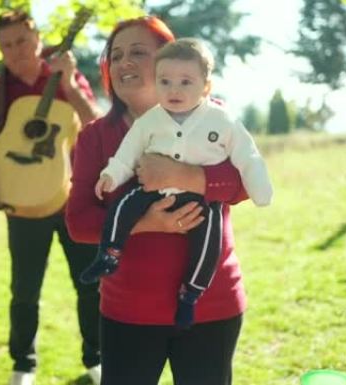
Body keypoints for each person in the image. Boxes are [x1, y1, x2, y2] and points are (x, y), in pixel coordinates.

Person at [66, 16, 253, 385]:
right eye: (115, 56)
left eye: (138, 52)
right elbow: (79, 222)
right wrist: (145, 221)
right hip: (128, 313)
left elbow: (246, 182)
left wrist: (184, 176)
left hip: (211, 305)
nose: (124, 63)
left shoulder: (215, 116)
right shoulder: (95, 137)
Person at [79, 38, 272, 329]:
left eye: (185, 82)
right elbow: (128, 152)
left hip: (202, 202)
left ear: (206, 87)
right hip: (153, 192)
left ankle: (190, 294)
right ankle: (110, 254)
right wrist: (112, 175)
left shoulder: (223, 120)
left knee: (209, 246)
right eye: (165, 82)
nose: (174, 90)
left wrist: (260, 192)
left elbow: (248, 157)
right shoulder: (150, 120)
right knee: (122, 207)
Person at [0, 9, 102, 385]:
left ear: (38, 40)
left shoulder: (64, 78)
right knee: (24, 290)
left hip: (74, 199)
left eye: (22, 41)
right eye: (6, 45)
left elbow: (96, 127)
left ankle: (96, 358)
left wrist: (71, 86)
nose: (16, 51)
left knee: (90, 284)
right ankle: (23, 366)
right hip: (24, 204)